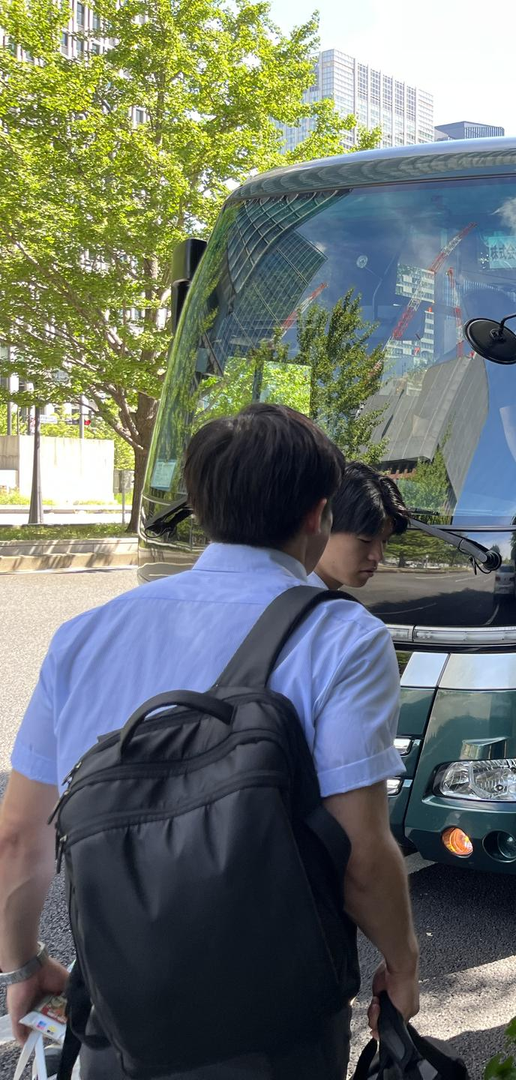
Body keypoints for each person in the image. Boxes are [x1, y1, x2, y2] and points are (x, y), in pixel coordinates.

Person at [0, 403, 419, 1078]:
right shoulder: (343, 639)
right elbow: (360, 855)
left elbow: (19, 836)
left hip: (119, 1006)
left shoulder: (82, 637)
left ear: (199, 507)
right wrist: (402, 964)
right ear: (318, 514)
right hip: (276, 1025)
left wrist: (21, 967)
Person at [312, 461, 410, 590]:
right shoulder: (309, 599)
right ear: (321, 522)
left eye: (385, 541)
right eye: (366, 539)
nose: (378, 556)